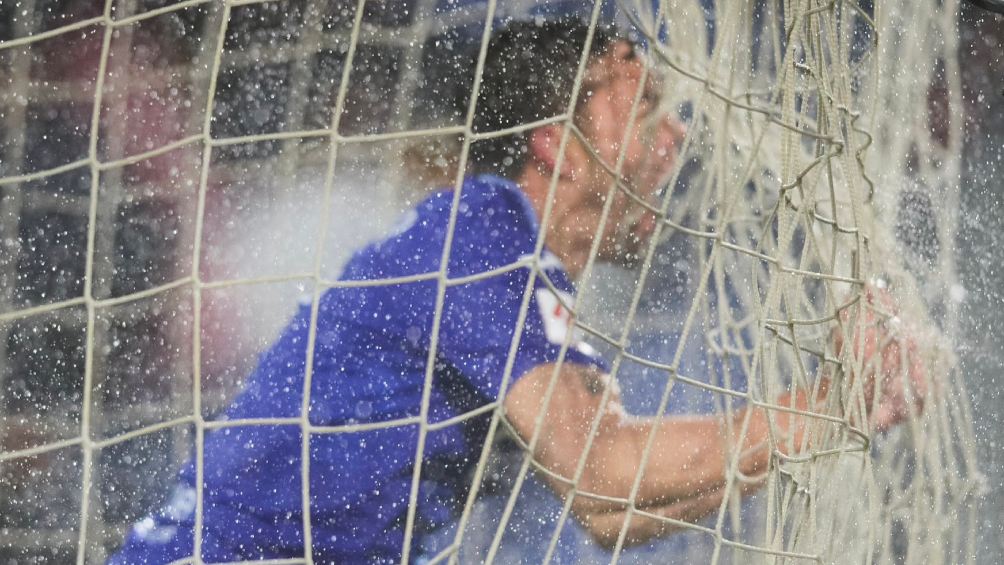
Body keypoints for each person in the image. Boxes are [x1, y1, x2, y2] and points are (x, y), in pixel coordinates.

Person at [110, 18, 922, 564]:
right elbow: (604, 473)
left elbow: (611, 514)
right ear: (555, 143)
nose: (673, 135)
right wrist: (826, 403)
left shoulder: (512, 268)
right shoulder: (484, 232)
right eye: (642, 106)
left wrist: (833, 418)